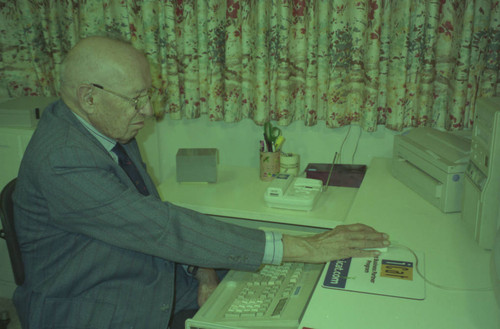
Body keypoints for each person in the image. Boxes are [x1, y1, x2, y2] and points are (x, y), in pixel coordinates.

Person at [12, 36, 389, 329]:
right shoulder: (62, 159)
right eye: (137, 98)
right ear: (89, 98)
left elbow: (154, 215)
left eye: (149, 94)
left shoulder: (107, 129)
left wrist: (203, 269)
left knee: (298, 293)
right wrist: (305, 247)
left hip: (153, 273)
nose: (148, 110)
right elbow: (161, 228)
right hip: (97, 306)